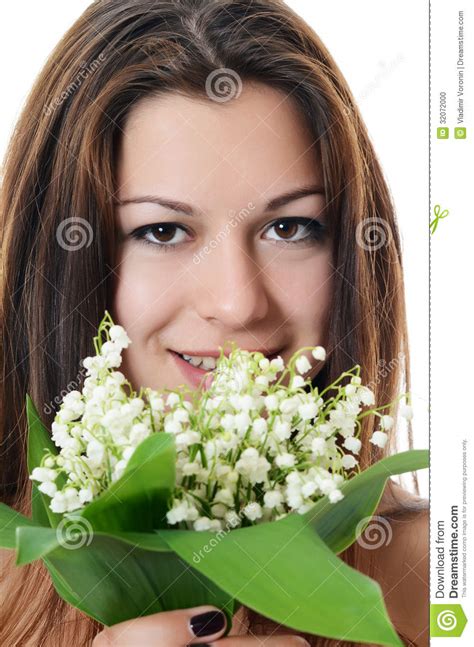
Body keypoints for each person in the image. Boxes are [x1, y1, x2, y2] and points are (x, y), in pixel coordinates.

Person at [0, 1, 428, 645]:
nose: (238, 303)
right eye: (162, 230)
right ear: (63, 264)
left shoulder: (447, 582)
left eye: (290, 228)